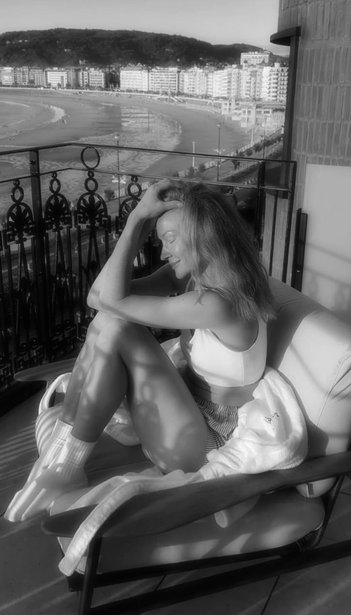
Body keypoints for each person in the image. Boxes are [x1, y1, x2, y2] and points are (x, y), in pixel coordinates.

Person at [5, 179, 276, 523]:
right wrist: (140, 222)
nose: (163, 253)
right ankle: (62, 453)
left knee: (118, 326)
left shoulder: (222, 303)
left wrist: (136, 220)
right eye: (160, 240)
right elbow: (97, 297)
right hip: (183, 416)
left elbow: (111, 302)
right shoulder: (194, 278)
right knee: (108, 320)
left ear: (203, 234)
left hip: (205, 445)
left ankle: (66, 464)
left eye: (170, 239)